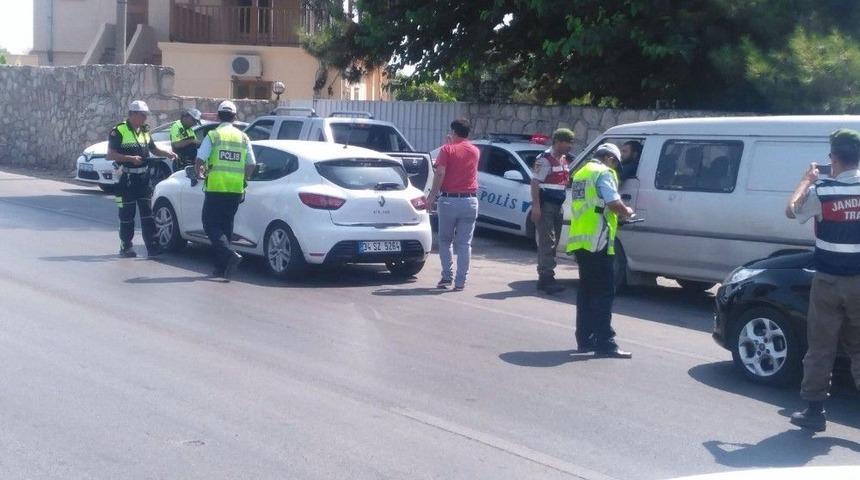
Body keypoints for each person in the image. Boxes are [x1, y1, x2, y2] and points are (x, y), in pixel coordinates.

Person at [785, 128, 860, 432]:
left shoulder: (823, 190)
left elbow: (791, 211)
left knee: (821, 348)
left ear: (833, 158)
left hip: (829, 282)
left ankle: (814, 412)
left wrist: (806, 180)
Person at [567, 143, 634, 358]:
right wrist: (627, 213)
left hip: (581, 241)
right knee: (604, 293)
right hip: (599, 241)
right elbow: (613, 202)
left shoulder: (581, 172)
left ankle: (585, 339)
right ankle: (605, 342)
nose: (615, 168)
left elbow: (590, 204)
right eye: (615, 163)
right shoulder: (604, 172)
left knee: (586, 292)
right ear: (609, 159)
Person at [106, 100, 177, 258]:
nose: (145, 118)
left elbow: (153, 149)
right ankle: (126, 246)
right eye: (142, 115)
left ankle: (153, 248)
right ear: (132, 114)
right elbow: (110, 155)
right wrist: (130, 158)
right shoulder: (118, 131)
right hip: (125, 179)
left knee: (147, 214)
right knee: (127, 214)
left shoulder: (145, 131)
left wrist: (167, 154)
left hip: (143, 178)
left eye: (146, 115)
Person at [195, 101, 256, 280]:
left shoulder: (213, 135)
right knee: (226, 227)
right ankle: (221, 269)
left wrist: (199, 173)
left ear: (219, 116)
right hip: (235, 190)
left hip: (216, 188)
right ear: (235, 117)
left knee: (209, 224)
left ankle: (229, 255)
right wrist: (244, 180)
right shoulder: (243, 137)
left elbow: (200, 159)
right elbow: (251, 164)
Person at [426, 119, 480, 291]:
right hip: (470, 200)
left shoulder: (447, 149)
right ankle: (460, 281)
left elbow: (440, 172)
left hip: (450, 200)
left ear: (454, 132)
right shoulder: (475, 150)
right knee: (465, 243)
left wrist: (431, 197)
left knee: (445, 240)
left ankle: (447, 276)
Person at [530, 128, 574, 294]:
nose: (570, 146)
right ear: (558, 142)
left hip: (558, 206)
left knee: (553, 242)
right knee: (547, 241)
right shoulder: (544, 159)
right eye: (567, 142)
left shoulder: (563, 159)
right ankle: (546, 278)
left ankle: (546, 276)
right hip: (546, 205)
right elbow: (535, 183)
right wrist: (536, 206)